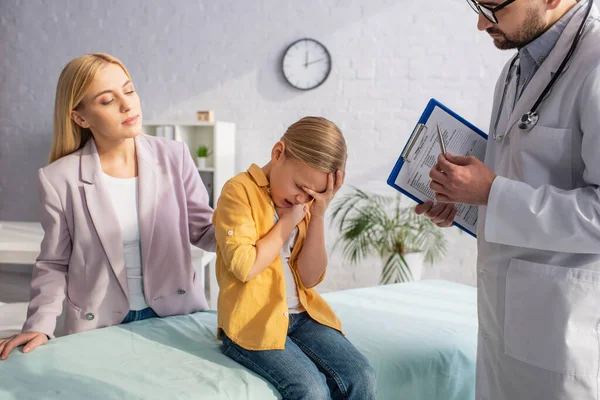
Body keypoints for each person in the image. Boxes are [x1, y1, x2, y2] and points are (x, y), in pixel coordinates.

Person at [416, 0, 600, 398]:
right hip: (507, 320)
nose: (482, 24)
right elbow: (525, 177)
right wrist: (464, 200)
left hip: (565, 330)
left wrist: (492, 193)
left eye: (494, 7)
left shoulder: (596, 64)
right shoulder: (516, 67)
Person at [0, 53, 216, 360]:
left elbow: (205, 232)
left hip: (176, 314)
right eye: (106, 100)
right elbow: (53, 263)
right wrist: (40, 324)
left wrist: (253, 222)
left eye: (128, 91)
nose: (127, 105)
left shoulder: (174, 156)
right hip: (99, 324)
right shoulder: (58, 179)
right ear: (80, 117)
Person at [213, 117, 376, 399]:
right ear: (278, 153)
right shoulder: (238, 191)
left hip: (302, 316)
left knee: (362, 375)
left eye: (312, 195)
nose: (302, 199)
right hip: (250, 320)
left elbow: (310, 278)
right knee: (310, 389)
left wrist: (319, 213)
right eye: (300, 186)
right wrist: (286, 223)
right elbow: (244, 266)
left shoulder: (305, 205)